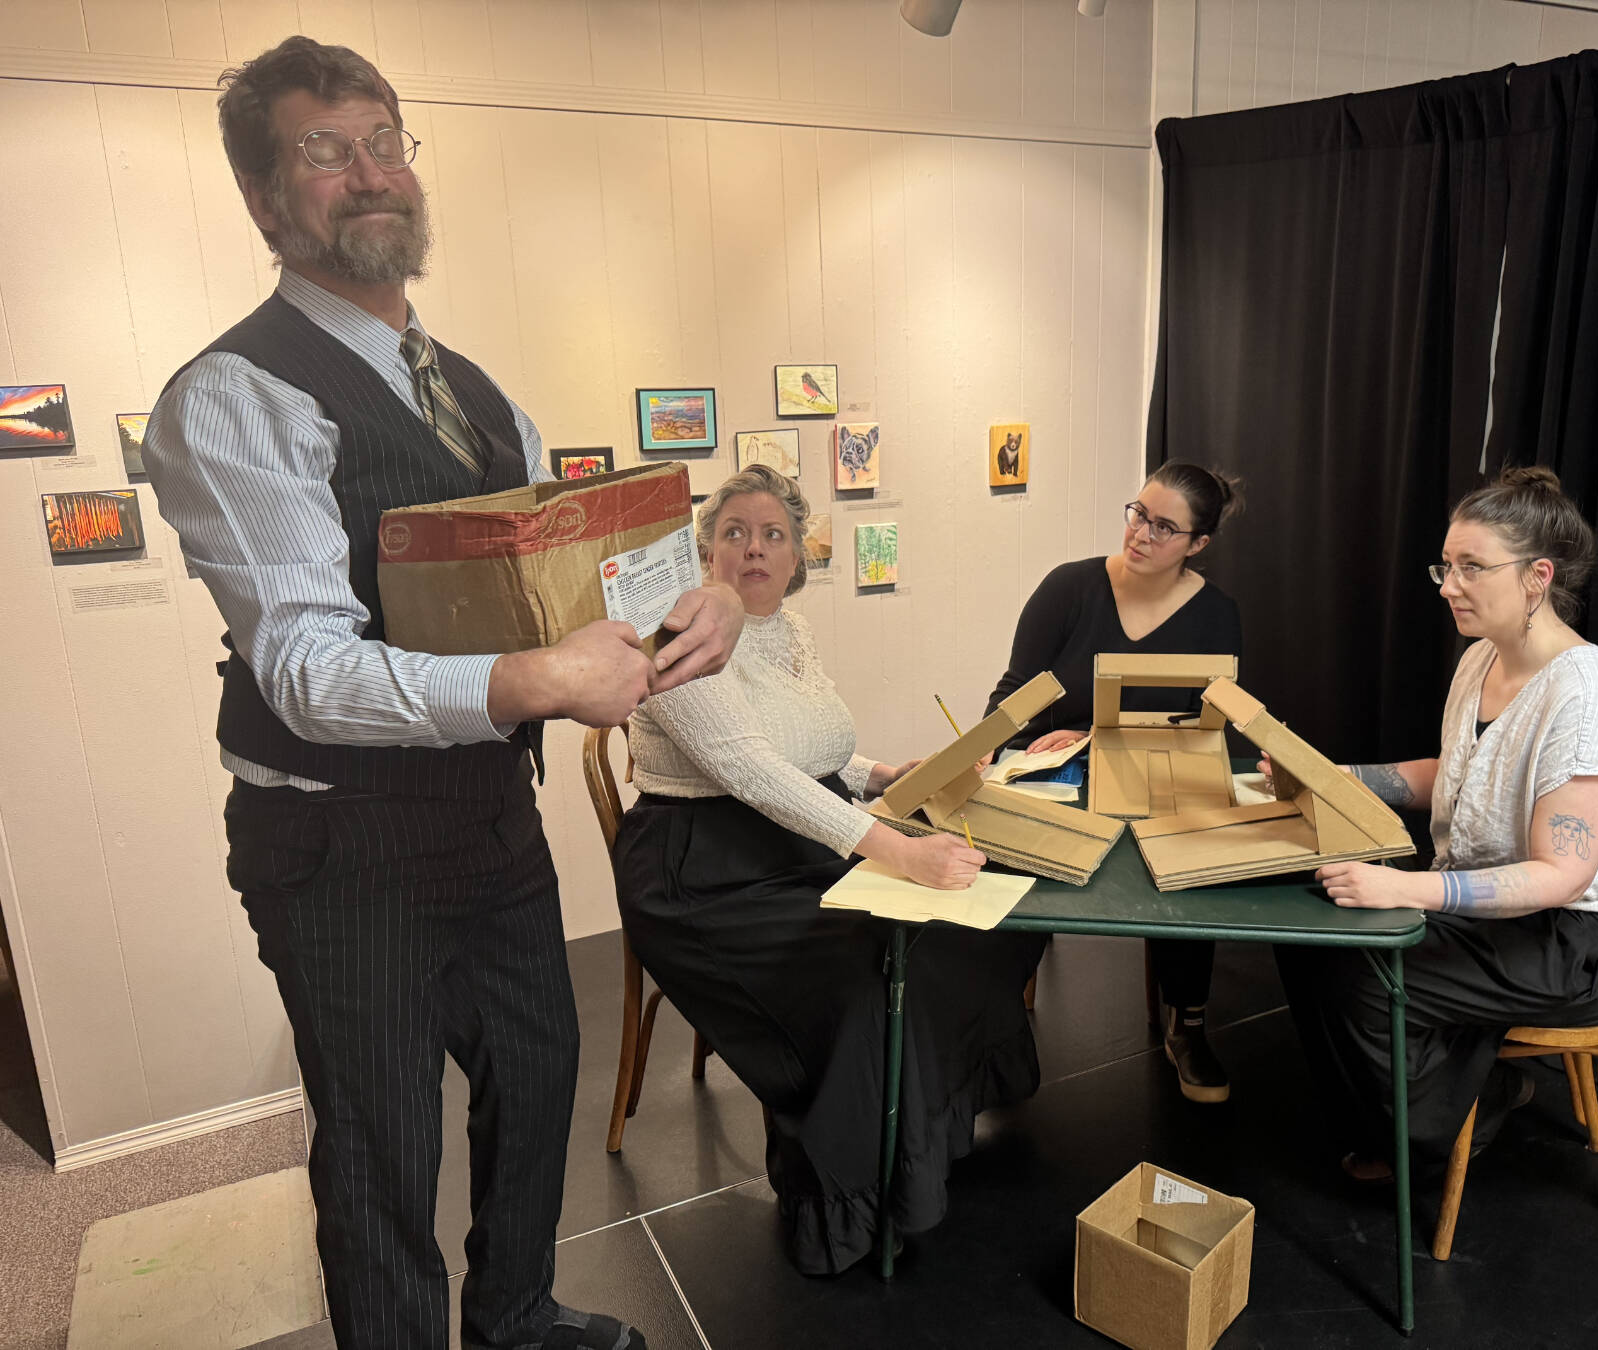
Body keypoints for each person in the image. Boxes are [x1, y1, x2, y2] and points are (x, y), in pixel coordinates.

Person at [143, 37, 743, 1350]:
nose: (371, 173)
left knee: (538, 1072)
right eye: (325, 150)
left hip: (485, 814)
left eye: (386, 141)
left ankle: (516, 1317)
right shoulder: (233, 397)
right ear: (263, 199)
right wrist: (536, 679)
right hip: (338, 842)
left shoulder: (478, 393)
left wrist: (694, 604)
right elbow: (306, 669)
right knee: (383, 1147)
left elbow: (557, 589)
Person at [613, 465, 1046, 1275]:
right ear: (706, 553)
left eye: (773, 535)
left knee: (956, 938)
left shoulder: (791, 631)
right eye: (734, 533)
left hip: (788, 842)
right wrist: (899, 850)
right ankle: (844, 1204)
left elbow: (808, 746)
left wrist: (881, 776)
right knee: (867, 980)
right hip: (701, 873)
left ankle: (913, 1152)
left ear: (795, 560)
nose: (754, 549)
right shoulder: (673, 634)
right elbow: (751, 769)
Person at [1277, 467, 1598, 1174]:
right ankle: (1436, 1101)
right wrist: (1331, 777)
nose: (1448, 586)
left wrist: (1406, 889)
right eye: (1446, 566)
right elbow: (1457, 773)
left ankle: (1445, 1127)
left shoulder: (1588, 698)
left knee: (1362, 978)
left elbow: (1561, 875)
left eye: (1471, 568)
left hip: (1581, 941)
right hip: (1507, 910)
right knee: (1307, 935)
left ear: (1537, 577)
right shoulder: (1482, 657)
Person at [983, 462, 1243, 1103]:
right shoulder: (1070, 587)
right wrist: (987, 752)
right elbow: (1016, 692)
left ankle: (1187, 1022)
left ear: (1198, 543)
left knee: (1192, 846)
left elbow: (1207, 725)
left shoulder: (1216, 614)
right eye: (1138, 514)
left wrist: (1098, 738)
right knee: (1005, 844)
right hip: (1055, 774)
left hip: (1156, 779)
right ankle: (990, 1018)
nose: (1141, 534)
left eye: (1164, 527)